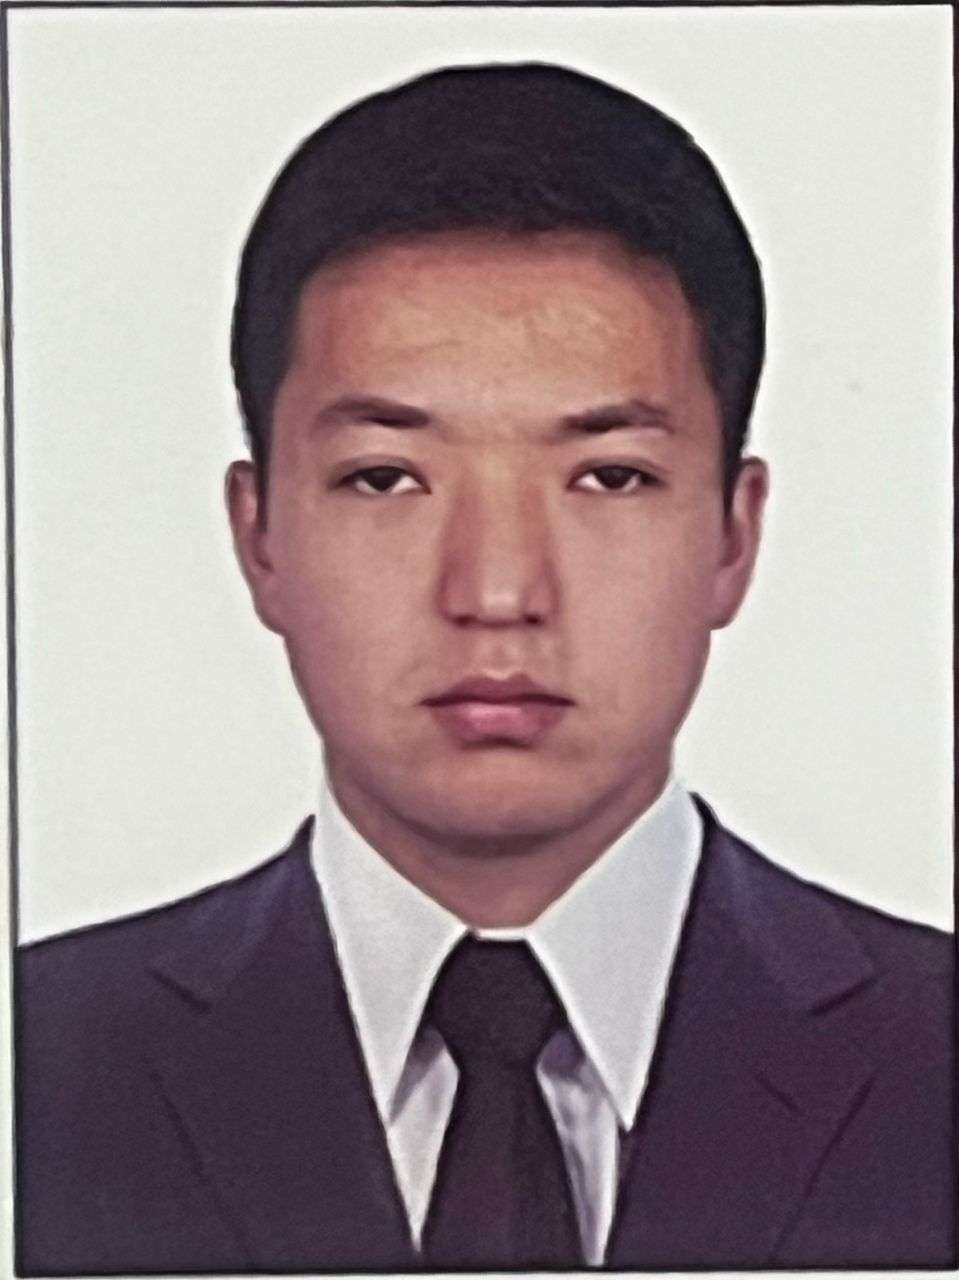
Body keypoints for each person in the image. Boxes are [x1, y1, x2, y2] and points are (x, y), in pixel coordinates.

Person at [16, 62, 954, 1274]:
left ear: (732, 533)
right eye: (385, 477)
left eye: (607, 475)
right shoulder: (41, 1063)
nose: (498, 590)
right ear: (259, 536)